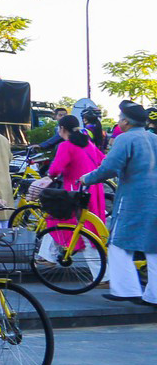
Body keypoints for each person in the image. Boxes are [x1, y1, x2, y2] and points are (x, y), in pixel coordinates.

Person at [89, 103, 157, 304]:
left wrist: (87, 179)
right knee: (153, 247)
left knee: (118, 243)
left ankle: (126, 290)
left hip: (133, 199)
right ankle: (153, 295)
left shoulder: (125, 138)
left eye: (120, 118)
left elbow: (108, 168)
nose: (119, 121)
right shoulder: (154, 138)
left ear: (126, 121)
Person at [44, 117, 107, 249]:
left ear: (62, 129)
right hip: (94, 187)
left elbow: (56, 169)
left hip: (76, 189)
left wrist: (48, 177)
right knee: (89, 224)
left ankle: (99, 267)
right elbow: (103, 160)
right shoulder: (89, 144)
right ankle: (47, 256)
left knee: (74, 224)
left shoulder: (65, 146)